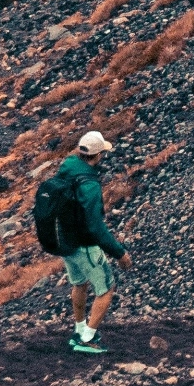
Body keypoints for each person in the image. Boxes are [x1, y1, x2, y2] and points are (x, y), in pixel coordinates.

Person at [46, 132, 129, 357]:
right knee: (106, 289)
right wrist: (119, 253)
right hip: (85, 245)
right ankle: (88, 338)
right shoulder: (90, 185)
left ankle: (79, 328)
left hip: (64, 240)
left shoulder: (68, 166)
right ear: (98, 154)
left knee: (79, 283)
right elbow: (95, 226)